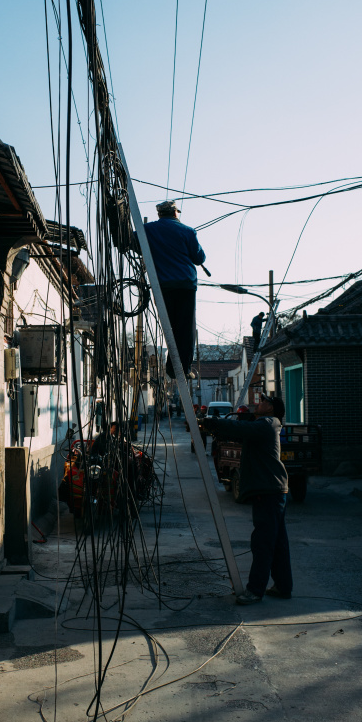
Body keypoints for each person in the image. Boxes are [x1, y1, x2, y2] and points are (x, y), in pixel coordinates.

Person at [203, 393, 292, 604]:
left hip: (268, 491)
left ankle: (255, 590)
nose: (258, 403)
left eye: (263, 401)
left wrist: (211, 422)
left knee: (262, 542)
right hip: (273, 490)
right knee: (277, 542)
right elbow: (241, 434)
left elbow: (240, 429)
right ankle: (283, 586)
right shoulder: (267, 425)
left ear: (270, 408)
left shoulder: (267, 423)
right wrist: (218, 429)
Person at [144, 200, 206, 377]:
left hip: (162, 285)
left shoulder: (147, 230)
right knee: (185, 329)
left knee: (169, 326)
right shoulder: (187, 231)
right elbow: (199, 258)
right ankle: (181, 368)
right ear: (175, 213)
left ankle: (172, 366)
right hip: (185, 285)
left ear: (159, 214)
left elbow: (131, 242)